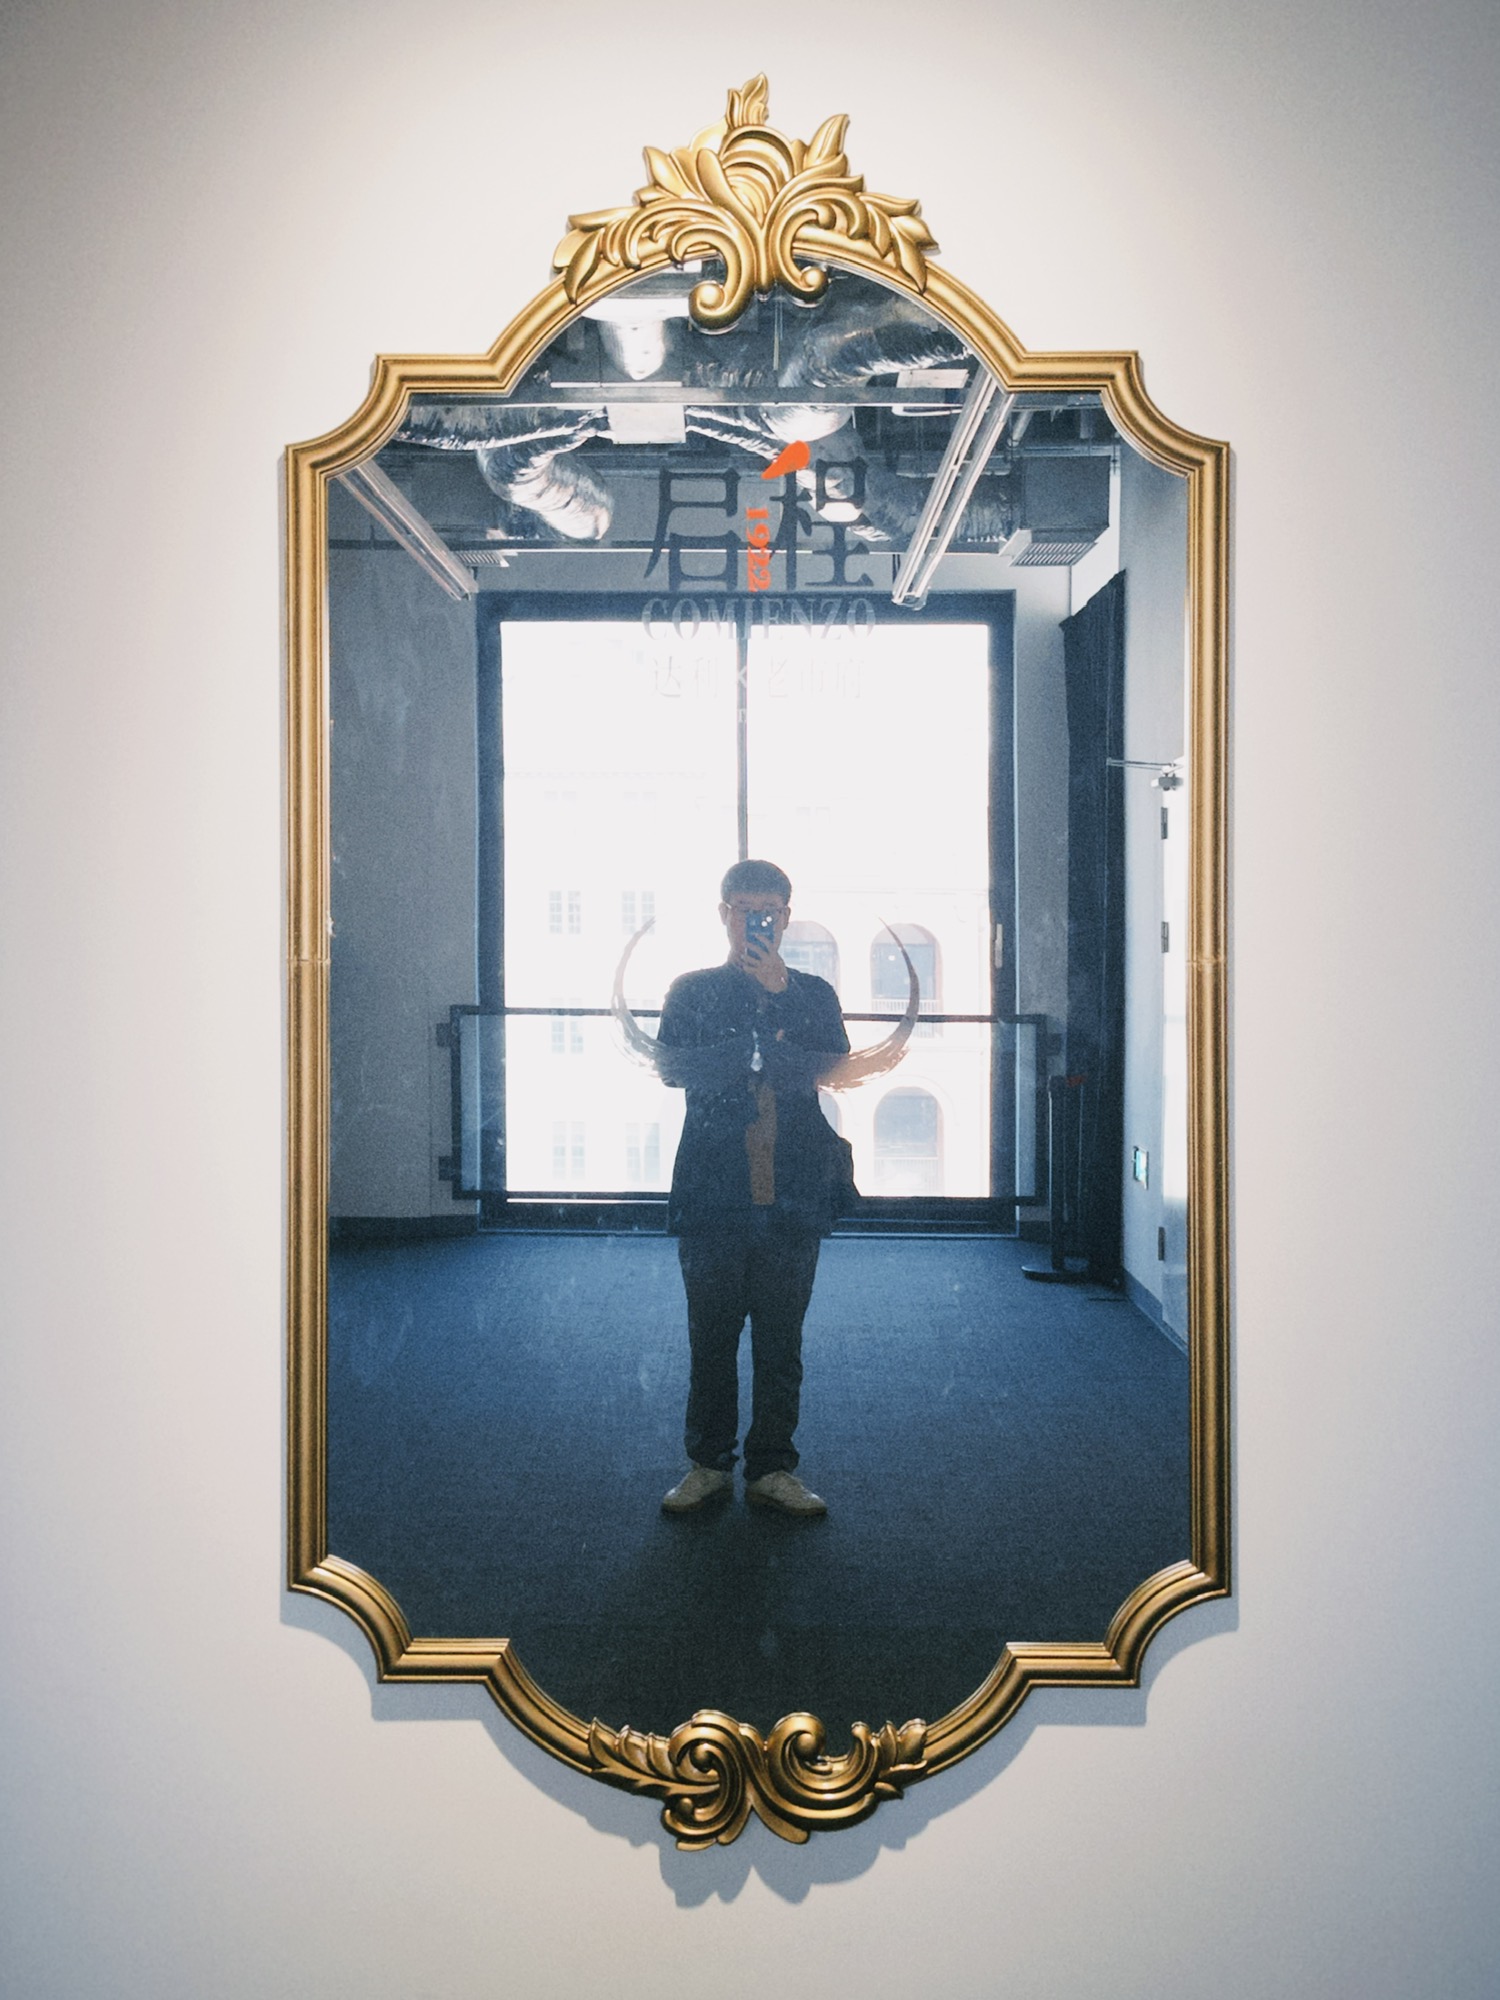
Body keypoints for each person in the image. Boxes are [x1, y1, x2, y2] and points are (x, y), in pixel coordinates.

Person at [656, 860, 852, 1517]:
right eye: (743, 909)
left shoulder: (814, 993)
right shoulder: (691, 990)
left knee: (780, 1340)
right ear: (724, 915)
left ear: (787, 917)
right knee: (710, 1337)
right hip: (712, 1190)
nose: (755, 921)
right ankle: (708, 1465)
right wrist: (746, 1032)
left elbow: (833, 1063)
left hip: (792, 1192)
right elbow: (672, 1068)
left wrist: (781, 992)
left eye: (767, 910)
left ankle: (773, 1467)